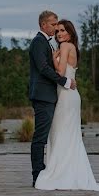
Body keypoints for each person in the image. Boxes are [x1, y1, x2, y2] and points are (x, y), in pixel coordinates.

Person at [34, 19, 99, 191]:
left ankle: (61, 173)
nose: (59, 34)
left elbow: (60, 72)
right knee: (68, 135)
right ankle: (69, 171)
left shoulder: (65, 47)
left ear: (70, 33)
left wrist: (52, 58)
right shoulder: (72, 47)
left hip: (66, 96)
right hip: (70, 96)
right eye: (57, 31)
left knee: (60, 133)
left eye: (62, 30)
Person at [28, 10, 75, 187]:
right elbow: (43, 69)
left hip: (48, 96)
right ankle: (37, 175)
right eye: (53, 24)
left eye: (57, 25)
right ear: (43, 25)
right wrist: (65, 81)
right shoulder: (39, 42)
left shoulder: (46, 43)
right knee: (40, 137)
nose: (56, 28)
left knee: (44, 136)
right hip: (42, 96)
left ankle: (42, 171)